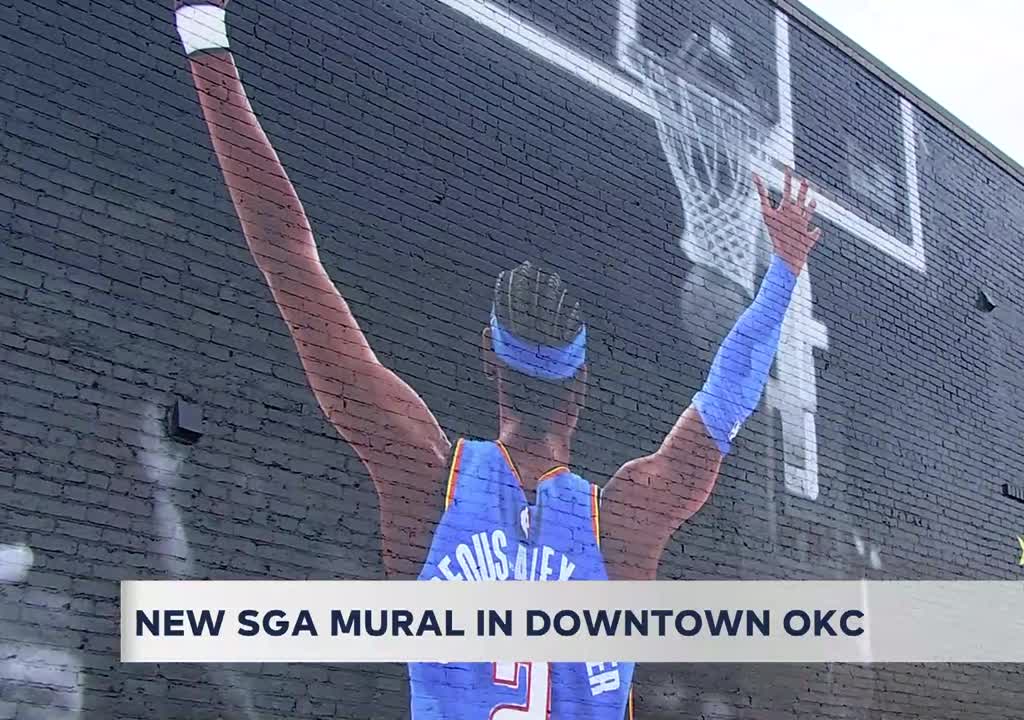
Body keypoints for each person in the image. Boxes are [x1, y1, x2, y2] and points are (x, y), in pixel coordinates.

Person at [174, 1, 822, 717]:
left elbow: (289, 257)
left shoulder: (428, 476)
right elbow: (726, 398)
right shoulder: (626, 521)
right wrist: (784, 269)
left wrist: (205, 31)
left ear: (490, 361)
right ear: (580, 387)